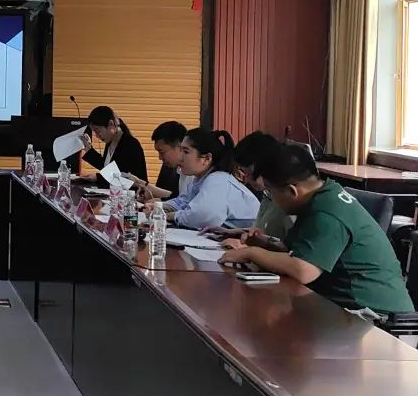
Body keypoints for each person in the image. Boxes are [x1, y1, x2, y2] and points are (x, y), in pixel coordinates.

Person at [220, 143, 414, 316]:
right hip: (346, 309)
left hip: (375, 317)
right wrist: (264, 244)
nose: (272, 198)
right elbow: (300, 253)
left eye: (271, 191)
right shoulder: (321, 197)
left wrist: (252, 253)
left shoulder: (327, 211)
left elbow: (304, 269)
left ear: (292, 191)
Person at [151, 128, 259, 230]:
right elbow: (184, 201)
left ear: (207, 159)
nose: (180, 157)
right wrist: (160, 207)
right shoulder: (200, 179)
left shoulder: (219, 180)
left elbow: (202, 217)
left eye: (186, 152)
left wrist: (171, 216)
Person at [207, 131, 294, 245]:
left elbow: (290, 248)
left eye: (249, 173)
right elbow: (262, 231)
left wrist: (248, 250)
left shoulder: (287, 198)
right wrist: (235, 232)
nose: (247, 180)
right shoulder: (268, 194)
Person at [78, 105, 148, 185]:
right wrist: (88, 148)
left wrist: (98, 177)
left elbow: (124, 177)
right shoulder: (111, 141)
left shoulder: (130, 145)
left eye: (98, 131)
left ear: (111, 124)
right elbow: (106, 166)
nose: (97, 136)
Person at [124, 120, 191, 201]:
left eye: (162, 152)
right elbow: (175, 198)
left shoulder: (192, 173)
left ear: (179, 147)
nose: (160, 157)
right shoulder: (179, 169)